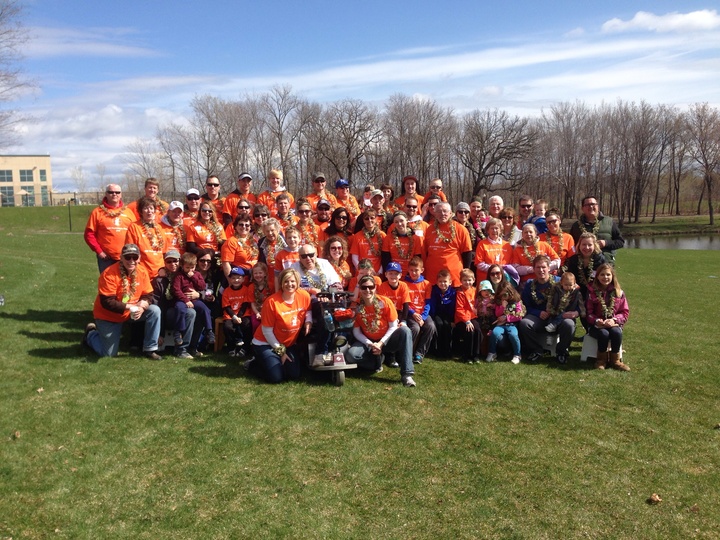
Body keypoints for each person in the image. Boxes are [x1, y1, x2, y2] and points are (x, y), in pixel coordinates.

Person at [82, 244, 162, 359]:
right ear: (121, 257)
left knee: (154, 310)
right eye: (127, 257)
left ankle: (150, 349)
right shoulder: (109, 273)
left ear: (139, 258)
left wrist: (143, 306)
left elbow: (148, 294)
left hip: (131, 312)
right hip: (108, 316)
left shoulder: (142, 271)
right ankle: (90, 334)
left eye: (134, 257)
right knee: (108, 354)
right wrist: (132, 306)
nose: (131, 261)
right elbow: (107, 302)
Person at [345, 275, 417, 387]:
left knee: (405, 331)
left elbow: (393, 326)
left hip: (387, 340)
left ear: (375, 287)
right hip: (368, 342)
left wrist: (380, 343)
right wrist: (370, 344)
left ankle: (407, 375)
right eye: (364, 287)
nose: (367, 290)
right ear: (360, 288)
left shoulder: (385, 302)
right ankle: (376, 361)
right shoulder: (357, 306)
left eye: (371, 287)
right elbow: (356, 332)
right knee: (351, 356)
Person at [250, 268, 312, 383]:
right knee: (276, 378)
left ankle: (275, 362)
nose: (290, 284)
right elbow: (267, 331)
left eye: (293, 281)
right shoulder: (271, 302)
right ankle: (253, 364)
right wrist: (281, 353)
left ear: (298, 282)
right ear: (281, 283)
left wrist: (309, 321)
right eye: (286, 281)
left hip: (288, 343)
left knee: (294, 375)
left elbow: (307, 310)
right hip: (265, 343)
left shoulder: (304, 296)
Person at [291, 244, 342, 366]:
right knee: (324, 310)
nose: (308, 258)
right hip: (306, 302)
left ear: (316, 254)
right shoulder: (295, 268)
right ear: (300, 258)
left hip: (328, 300)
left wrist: (328, 295)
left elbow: (336, 284)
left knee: (340, 313)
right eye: (304, 256)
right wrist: (311, 290)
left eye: (311, 255)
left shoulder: (324, 264)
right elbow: (291, 288)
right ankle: (321, 351)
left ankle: (333, 348)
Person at [518, 255, 565, 364]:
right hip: (538, 317)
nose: (541, 270)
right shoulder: (530, 284)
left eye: (543, 267)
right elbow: (525, 306)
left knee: (569, 324)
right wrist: (538, 313)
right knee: (525, 323)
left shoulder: (559, 282)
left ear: (549, 268)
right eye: (538, 267)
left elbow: (570, 298)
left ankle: (561, 352)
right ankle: (536, 350)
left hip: (556, 317)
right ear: (533, 269)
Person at [151, 249, 196, 359]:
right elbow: (158, 305)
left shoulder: (187, 275)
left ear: (180, 262)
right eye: (169, 261)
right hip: (168, 313)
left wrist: (198, 294)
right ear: (165, 263)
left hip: (184, 308)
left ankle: (182, 349)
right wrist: (159, 333)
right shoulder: (159, 280)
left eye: (175, 261)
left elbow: (200, 286)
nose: (173, 264)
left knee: (191, 312)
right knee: (184, 312)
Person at [586, 263, 630, 371]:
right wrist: (596, 320)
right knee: (603, 333)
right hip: (597, 326)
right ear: (597, 276)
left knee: (616, 332)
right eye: (602, 275)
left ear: (612, 276)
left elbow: (624, 312)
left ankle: (615, 360)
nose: (605, 277)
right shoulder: (592, 292)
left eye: (608, 275)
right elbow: (588, 312)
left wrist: (614, 320)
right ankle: (601, 360)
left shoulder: (618, 293)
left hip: (613, 324)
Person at [84, 184, 136, 273]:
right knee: (108, 284)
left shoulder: (128, 212)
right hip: (106, 258)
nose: (114, 194)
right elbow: (89, 234)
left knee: (127, 284)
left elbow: (135, 233)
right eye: (111, 192)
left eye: (117, 192)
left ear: (121, 194)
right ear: (106, 194)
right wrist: (99, 251)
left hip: (127, 256)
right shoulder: (97, 212)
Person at [423, 202, 473, 287]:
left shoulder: (461, 229)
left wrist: (465, 273)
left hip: (453, 277)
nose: (442, 214)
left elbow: (467, 253)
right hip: (432, 277)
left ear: (450, 213)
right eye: (439, 211)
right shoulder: (429, 229)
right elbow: (426, 251)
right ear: (434, 213)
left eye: (445, 211)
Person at [171, 252, 215, 348]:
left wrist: (193, 277)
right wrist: (186, 300)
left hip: (195, 299)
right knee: (180, 309)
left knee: (205, 309)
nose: (190, 270)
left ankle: (209, 331)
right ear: (182, 266)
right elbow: (176, 290)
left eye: (192, 268)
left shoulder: (197, 274)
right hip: (182, 299)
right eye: (187, 268)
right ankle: (178, 332)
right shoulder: (179, 276)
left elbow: (202, 286)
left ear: (195, 266)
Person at [570, 196, 624, 264]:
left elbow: (620, 242)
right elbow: (571, 246)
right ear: (582, 208)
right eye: (587, 205)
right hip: (583, 266)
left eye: (593, 204)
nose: (591, 206)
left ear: (598, 206)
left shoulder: (609, 222)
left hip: (605, 265)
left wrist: (606, 243)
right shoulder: (576, 226)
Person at [404, 256, 437, 364]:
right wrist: (413, 314)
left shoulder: (427, 284)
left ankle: (419, 353)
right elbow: (405, 303)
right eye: (411, 270)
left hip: (423, 313)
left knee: (431, 326)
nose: (413, 273)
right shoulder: (404, 283)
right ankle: (407, 352)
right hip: (410, 313)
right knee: (415, 328)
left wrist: (423, 317)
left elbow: (428, 303)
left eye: (416, 270)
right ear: (408, 270)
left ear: (422, 270)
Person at [124, 196, 165, 278]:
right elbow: (131, 251)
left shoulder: (159, 228)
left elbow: (164, 251)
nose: (149, 211)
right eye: (146, 208)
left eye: (151, 208)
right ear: (141, 211)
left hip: (160, 271)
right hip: (142, 271)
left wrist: (164, 269)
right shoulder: (134, 227)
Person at [486, 280, 525, 364]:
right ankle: (492, 352)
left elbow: (519, 315)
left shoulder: (516, 302)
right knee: (495, 333)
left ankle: (517, 354)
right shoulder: (499, 302)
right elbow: (497, 314)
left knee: (513, 335)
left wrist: (507, 317)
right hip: (501, 325)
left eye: (505, 294)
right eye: (502, 295)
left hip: (512, 324)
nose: (504, 297)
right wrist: (503, 307)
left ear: (511, 293)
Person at [564, 232, 606, 302]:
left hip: (596, 294)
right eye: (584, 244)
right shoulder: (573, 260)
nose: (587, 248)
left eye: (590, 245)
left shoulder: (601, 259)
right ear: (579, 245)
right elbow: (570, 278)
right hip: (576, 293)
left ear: (594, 245)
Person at [453, 268, 482, 363]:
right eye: (464, 280)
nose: (467, 282)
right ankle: (467, 356)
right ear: (461, 281)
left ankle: (476, 355)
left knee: (477, 329)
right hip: (462, 319)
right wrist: (467, 321)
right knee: (470, 331)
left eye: (469, 280)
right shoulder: (460, 292)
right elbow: (459, 309)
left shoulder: (475, 290)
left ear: (473, 280)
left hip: (473, 316)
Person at [381, 211, 423, 277]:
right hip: (394, 273)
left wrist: (412, 273)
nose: (399, 224)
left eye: (401, 221)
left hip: (410, 274)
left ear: (406, 220)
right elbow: (385, 259)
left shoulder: (415, 238)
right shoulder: (388, 238)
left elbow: (417, 258)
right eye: (396, 222)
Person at [544, 271, 586, 337]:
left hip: (568, 312)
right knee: (550, 321)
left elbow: (581, 303)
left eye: (570, 285)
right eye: (566, 285)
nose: (568, 287)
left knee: (561, 317)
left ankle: (554, 325)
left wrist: (582, 312)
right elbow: (550, 298)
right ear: (561, 283)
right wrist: (549, 308)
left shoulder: (576, 293)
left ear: (574, 283)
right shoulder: (556, 290)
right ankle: (550, 337)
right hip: (555, 310)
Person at [427, 269, 456, 360]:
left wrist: (452, 320)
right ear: (437, 282)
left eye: (445, 281)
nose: (442, 284)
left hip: (447, 315)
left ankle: (447, 350)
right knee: (439, 325)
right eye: (440, 281)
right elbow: (433, 304)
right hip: (437, 314)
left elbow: (452, 307)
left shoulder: (453, 292)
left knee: (447, 326)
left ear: (450, 282)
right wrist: (432, 316)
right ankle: (438, 349)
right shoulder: (434, 290)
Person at [475, 218, 513, 284]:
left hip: (503, 280)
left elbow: (511, 264)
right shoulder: (482, 244)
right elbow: (479, 264)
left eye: (496, 228)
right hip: (486, 281)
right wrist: (495, 270)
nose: (494, 230)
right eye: (492, 228)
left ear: (501, 230)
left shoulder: (507, 245)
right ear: (488, 230)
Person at [222, 267, 248, 358]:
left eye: (239, 278)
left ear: (243, 279)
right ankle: (231, 347)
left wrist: (239, 316)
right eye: (233, 278)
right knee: (228, 327)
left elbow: (245, 304)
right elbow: (226, 306)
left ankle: (245, 347)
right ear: (230, 279)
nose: (236, 280)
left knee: (247, 324)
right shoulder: (227, 291)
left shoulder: (245, 289)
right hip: (230, 315)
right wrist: (234, 317)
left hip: (242, 314)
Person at [350, 209, 386, 274]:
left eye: (372, 218)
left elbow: (385, 256)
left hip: (378, 273)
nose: (369, 220)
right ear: (363, 220)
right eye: (366, 218)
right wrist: (364, 271)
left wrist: (380, 271)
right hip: (362, 273)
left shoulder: (382, 235)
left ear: (376, 219)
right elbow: (354, 257)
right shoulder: (357, 236)